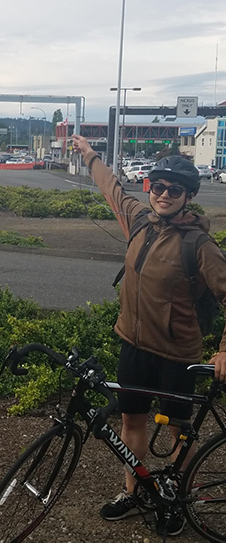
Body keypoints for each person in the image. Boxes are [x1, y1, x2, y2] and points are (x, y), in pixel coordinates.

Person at [71, 135, 226, 537]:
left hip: (177, 354)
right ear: (150, 188)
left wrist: (225, 350)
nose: (164, 194)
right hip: (133, 345)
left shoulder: (200, 245)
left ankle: (177, 495)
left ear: (188, 195)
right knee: (131, 421)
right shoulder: (140, 221)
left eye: (175, 190)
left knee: (178, 430)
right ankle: (134, 491)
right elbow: (112, 188)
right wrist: (90, 155)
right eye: (158, 187)